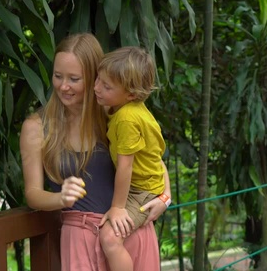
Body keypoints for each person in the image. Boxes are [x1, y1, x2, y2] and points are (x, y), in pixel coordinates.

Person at [20, 33, 169, 271]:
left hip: (127, 231)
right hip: (80, 238)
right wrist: (60, 198)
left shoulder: (116, 114)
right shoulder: (36, 127)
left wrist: (165, 197)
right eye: (58, 76)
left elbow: (154, 162)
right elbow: (32, 193)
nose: (63, 86)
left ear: (95, 79)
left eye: (74, 79)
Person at [94, 46, 171, 271]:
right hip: (145, 184)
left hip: (141, 191)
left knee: (110, 236)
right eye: (98, 79)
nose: (97, 88)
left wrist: (117, 207)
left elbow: (126, 167)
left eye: (106, 86)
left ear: (131, 94)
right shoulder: (122, 107)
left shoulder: (127, 118)